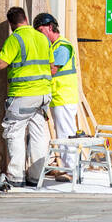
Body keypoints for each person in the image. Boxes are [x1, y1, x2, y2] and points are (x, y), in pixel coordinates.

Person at [0, 6, 52, 186]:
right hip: (44, 95)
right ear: (26, 19)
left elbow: (1, 64)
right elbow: (51, 65)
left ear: (11, 24)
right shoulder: (42, 38)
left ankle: (15, 177)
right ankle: (36, 177)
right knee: (38, 135)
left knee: (15, 132)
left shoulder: (15, 38)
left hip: (23, 94)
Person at [33, 13, 79, 173]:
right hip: (58, 97)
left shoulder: (62, 46)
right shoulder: (54, 47)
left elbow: (52, 70)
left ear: (50, 27)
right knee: (63, 135)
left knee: (66, 135)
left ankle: (70, 169)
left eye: (40, 30)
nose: (39, 34)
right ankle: (67, 168)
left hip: (64, 97)